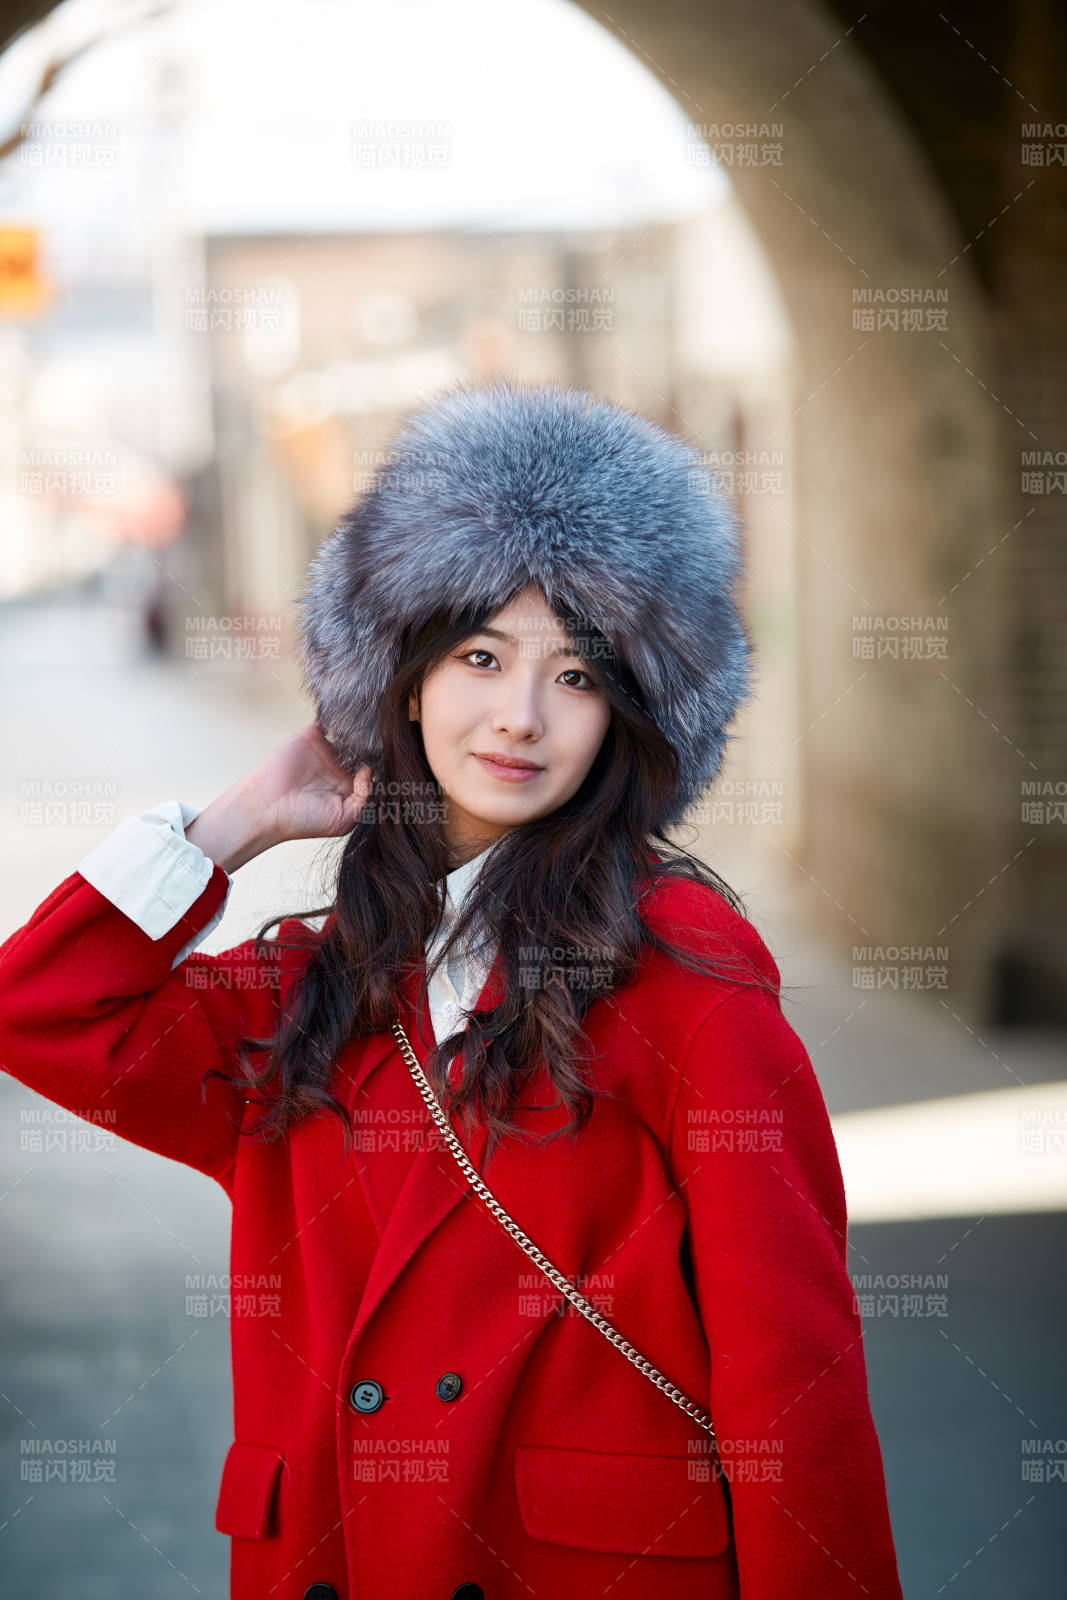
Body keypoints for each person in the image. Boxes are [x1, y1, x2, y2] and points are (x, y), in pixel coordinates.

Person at [0, 379, 904, 1600]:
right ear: (406, 676)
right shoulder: (307, 985)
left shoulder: (681, 967)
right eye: (480, 656)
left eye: (578, 675)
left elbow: (790, 1372)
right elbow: (42, 1010)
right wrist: (231, 826)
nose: (520, 717)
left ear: (626, 715)